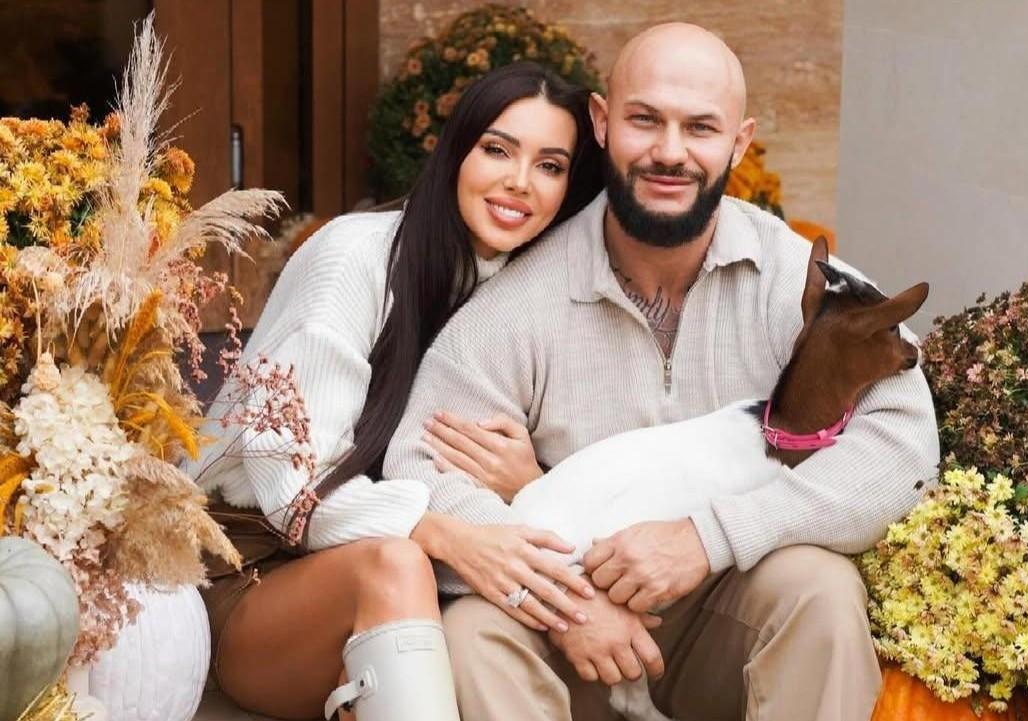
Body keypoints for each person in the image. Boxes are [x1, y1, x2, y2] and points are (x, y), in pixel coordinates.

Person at [383, 23, 940, 721]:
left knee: (820, 589)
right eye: (644, 120)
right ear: (602, 122)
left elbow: (904, 446)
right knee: (470, 634)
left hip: (726, 618)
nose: (670, 152)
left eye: (700, 128)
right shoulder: (518, 304)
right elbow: (418, 471)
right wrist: (565, 599)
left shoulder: (794, 278)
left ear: (739, 142)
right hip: (573, 642)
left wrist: (710, 536)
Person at [189, 62, 603, 721]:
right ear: (455, 151)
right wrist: (446, 535)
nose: (519, 181)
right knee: (398, 564)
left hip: (400, 580)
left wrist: (528, 479)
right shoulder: (355, 259)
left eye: (550, 165)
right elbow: (292, 488)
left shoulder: (530, 293)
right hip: (252, 571)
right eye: (497, 150)